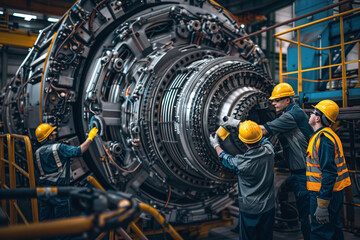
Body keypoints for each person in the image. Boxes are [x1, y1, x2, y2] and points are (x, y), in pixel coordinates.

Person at [258, 82, 313, 240]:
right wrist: (281, 154)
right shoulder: (291, 113)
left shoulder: (291, 115)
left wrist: (237, 125)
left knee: (306, 215)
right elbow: (295, 142)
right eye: (273, 100)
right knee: (305, 213)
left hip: (304, 174)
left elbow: (263, 130)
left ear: (287, 100)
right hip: (300, 172)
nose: (273, 103)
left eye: (277, 100)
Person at [209, 120, 275, 240]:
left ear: (243, 142)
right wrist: (240, 124)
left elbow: (225, 158)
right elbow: (263, 139)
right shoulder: (269, 151)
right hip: (268, 206)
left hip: (250, 209)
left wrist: (216, 145)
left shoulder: (242, 163)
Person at [34, 123, 98, 222]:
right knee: (62, 223)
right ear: (49, 137)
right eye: (53, 134)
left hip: (44, 191)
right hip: (59, 190)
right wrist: (90, 137)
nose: (55, 135)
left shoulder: (37, 153)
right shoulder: (59, 148)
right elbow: (78, 151)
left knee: (45, 221)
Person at [307, 100, 351, 240]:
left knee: (321, 232)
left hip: (324, 193)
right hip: (332, 191)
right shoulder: (327, 135)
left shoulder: (324, 139)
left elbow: (329, 173)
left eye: (313, 112)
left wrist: (323, 204)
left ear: (318, 118)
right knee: (333, 228)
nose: (310, 114)